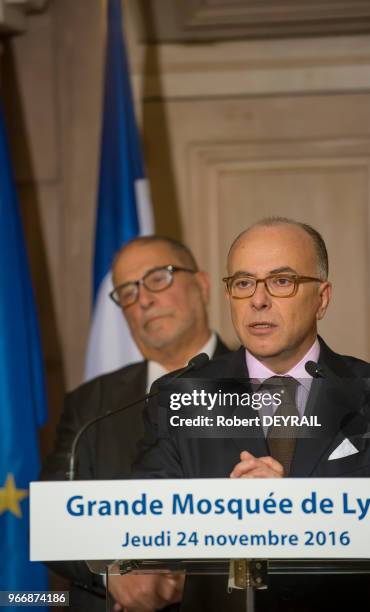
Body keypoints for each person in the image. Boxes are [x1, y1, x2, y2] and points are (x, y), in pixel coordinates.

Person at [134, 218, 370, 611]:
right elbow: (148, 523)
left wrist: (291, 510)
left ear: (323, 298)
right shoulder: (181, 395)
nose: (258, 300)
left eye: (281, 281)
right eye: (244, 283)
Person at [41, 235, 229, 612]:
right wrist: (110, 570)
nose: (143, 299)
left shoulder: (269, 387)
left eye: (159, 278)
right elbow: (49, 521)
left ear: (203, 285)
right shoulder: (91, 404)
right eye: (127, 291)